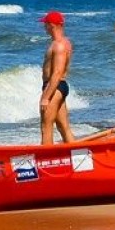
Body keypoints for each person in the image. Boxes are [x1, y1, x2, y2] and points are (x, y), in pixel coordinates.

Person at [39, 11, 73, 144]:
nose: (44, 27)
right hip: (59, 87)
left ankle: (45, 161)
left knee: (46, 126)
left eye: (45, 24)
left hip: (54, 87)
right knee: (63, 127)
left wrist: (45, 97)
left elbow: (57, 73)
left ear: (51, 25)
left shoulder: (59, 45)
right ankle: (79, 159)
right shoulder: (65, 42)